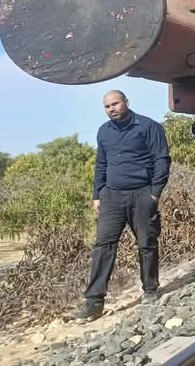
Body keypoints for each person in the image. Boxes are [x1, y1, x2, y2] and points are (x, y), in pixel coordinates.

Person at [70, 90, 171, 320]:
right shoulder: (103, 131)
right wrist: (97, 195)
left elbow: (162, 159)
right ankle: (94, 303)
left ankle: (150, 290)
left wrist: (154, 194)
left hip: (142, 194)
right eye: (107, 106)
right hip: (111, 197)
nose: (111, 109)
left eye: (115, 104)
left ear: (126, 102)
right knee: (103, 246)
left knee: (146, 243)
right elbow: (101, 164)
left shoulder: (149, 127)